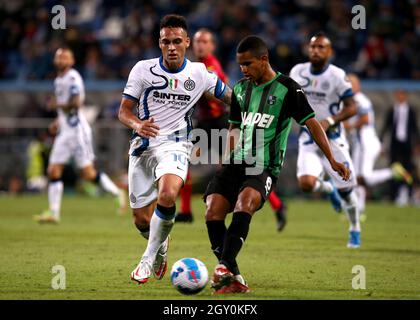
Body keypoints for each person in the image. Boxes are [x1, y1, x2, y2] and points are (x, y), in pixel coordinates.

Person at [204, 35, 350, 294]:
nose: (243, 70)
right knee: (212, 211)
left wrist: (332, 159)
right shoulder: (240, 89)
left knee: (245, 203)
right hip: (237, 162)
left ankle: (224, 267)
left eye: (248, 64)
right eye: (240, 65)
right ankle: (234, 276)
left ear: (264, 59)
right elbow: (234, 127)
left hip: (265, 165)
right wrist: (226, 158)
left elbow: (312, 123)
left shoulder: (288, 89)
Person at [117, 15, 232, 285]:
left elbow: (230, 97)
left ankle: (146, 259)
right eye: (166, 42)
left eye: (177, 41)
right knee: (141, 221)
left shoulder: (199, 73)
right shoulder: (143, 70)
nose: (171, 47)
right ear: (159, 43)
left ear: (187, 42)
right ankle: (161, 244)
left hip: (177, 143)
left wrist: (255, 104)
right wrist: (137, 124)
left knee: (168, 195)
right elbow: (123, 111)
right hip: (143, 146)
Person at [176, 28, 288, 232]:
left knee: (244, 168)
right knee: (185, 160)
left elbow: (215, 94)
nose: (200, 45)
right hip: (205, 123)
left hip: (221, 122)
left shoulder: (210, 67)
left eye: (205, 42)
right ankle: (185, 210)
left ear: (212, 46)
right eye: (198, 41)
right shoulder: (196, 67)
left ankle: (278, 206)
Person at [34, 48, 126, 224]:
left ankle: (116, 192)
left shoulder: (73, 77)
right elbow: (64, 110)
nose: (61, 60)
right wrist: (58, 121)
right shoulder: (58, 80)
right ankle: (54, 213)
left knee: (88, 174)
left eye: (65, 57)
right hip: (65, 132)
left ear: (72, 61)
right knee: (53, 170)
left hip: (78, 133)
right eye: (58, 57)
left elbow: (76, 103)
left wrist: (57, 105)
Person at [289, 32, 361, 248]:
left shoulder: (337, 76)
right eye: (313, 47)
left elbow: (352, 107)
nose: (316, 51)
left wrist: (330, 120)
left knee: (347, 192)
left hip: (334, 138)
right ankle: (328, 189)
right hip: (308, 138)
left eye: (321, 47)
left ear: (329, 52)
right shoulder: (297, 72)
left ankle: (354, 228)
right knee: (306, 184)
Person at [345, 74, 413, 214]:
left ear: (357, 86)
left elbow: (365, 118)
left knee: (363, 178)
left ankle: (392, 172)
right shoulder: (355, 99)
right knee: (358, 177)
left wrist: (349, 126)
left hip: (365, 143)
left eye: (349, 83)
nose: (347, 85)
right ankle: (359, 209)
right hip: (363, 143)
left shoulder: (359, 99)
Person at [380, 89, 419, 205]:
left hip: (407, 145)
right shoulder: (392, 110)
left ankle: (408, 194)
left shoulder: (411, 110)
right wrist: (381, 143)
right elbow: (386, 127)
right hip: (394, 144)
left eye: (402, 95)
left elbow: (414, 128)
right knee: (393, 169)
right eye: (398, 95)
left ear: (405, 96)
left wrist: (417, 144)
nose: (400, 97)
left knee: (408, 169)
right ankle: (393, 195)